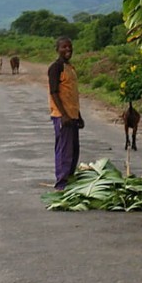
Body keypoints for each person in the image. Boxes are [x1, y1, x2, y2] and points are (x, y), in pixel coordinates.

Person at [48, 37, 84, 190]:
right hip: (62, 116)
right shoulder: (55, 68)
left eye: (70, 47)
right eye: (64, 47)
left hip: (72, 116)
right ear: (57, 49)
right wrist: (64, 115)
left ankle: (69, 180)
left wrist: (78, 115)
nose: (68, 50)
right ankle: (61, 185)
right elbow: (54, 92)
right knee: (65, 151)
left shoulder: (70, 67)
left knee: (74, 151)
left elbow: (71, 94)